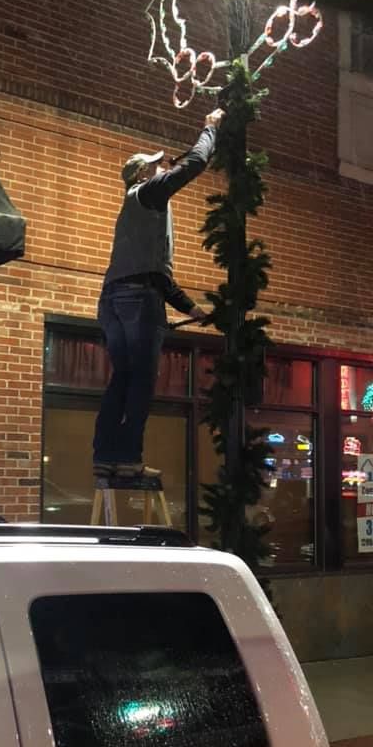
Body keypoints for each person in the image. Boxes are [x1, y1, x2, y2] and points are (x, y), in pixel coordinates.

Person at [93, 107, 225, 480]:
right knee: (142, 380)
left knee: (124, 376)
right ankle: (130, 457)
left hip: (113, 299)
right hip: (138, 300)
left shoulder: (134, 213)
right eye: (154, 165)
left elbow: (152, 273)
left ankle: (106, 456)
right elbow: (195, 163)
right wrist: (209, 128)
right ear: (140, 174)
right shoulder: (147, 193)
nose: (161, 168)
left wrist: (189, 307)